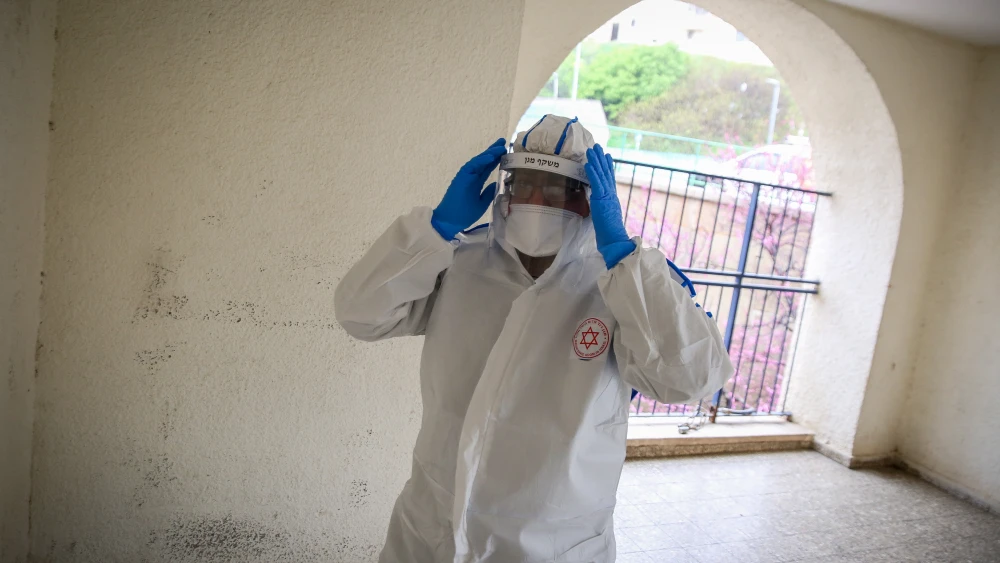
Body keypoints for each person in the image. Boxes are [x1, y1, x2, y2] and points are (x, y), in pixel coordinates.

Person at [335, 115, 734, 563]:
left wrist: (623, 257)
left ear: (588, 199)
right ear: (504, 190)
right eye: (524, 184)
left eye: (556, 188)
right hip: (432, 523)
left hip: (552, 539)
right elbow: (360, 315)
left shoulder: (622, 284)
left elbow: (691, 379)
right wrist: (437, 229)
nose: (536, 200)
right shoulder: (462, 263)